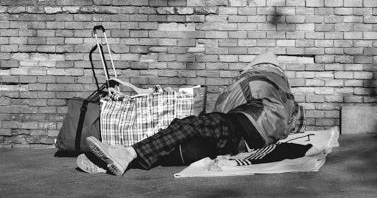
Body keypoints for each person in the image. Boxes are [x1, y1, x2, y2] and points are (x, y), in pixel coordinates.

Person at [81, 52, 304, 176]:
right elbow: (294, 128)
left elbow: (223, 106)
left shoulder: (259, 79)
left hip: (239, 125)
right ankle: (110, 164)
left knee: (187, 125)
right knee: (185, 150)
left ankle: (127, 152)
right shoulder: (290, 101)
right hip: (244, 145)